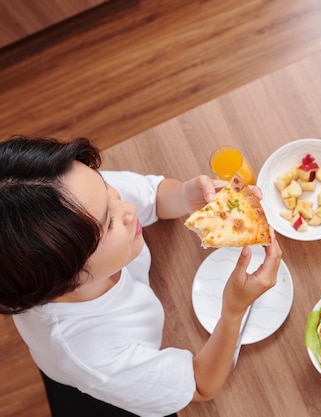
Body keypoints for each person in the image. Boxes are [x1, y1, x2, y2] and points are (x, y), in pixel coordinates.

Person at [0, 136, 283, 416]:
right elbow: (200, 386)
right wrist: (234, 310)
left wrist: (184, 196)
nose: (128, 209)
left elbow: (154, 195)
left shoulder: (76, 195)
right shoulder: (94, 358)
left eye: (105, 184)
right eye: (109, 223)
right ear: (69, 278)